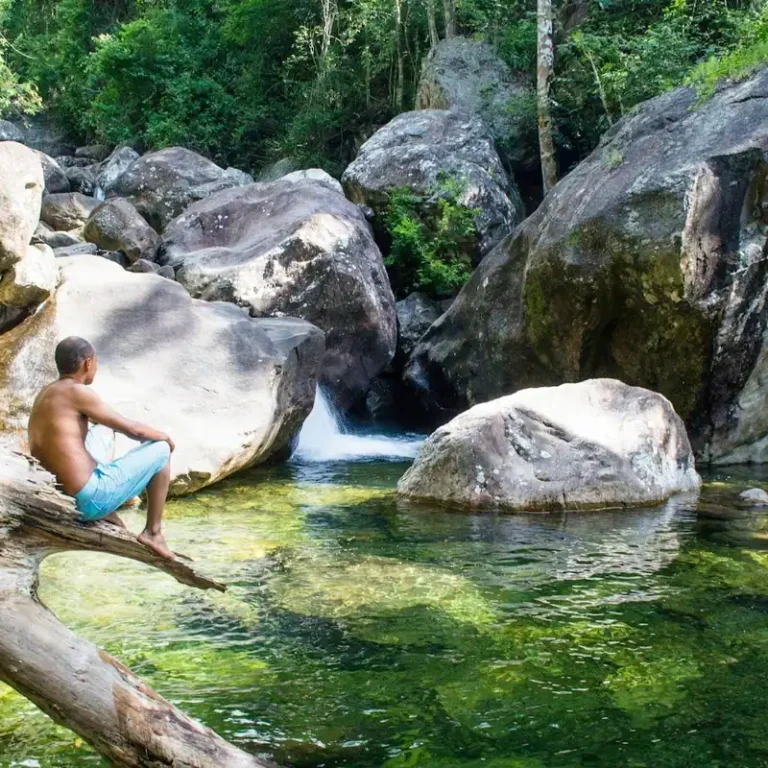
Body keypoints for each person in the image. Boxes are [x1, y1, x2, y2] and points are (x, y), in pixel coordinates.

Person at [28, 336, 177, 560]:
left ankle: (107, 511)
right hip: (85, 500)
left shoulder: (45, 392)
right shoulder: (78, 392)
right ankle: (153, 532)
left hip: (58, 493)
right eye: (95, 363)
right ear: (88, 363)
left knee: (103, 430)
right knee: (161, 450)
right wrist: (164, 437)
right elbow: (134, 430)